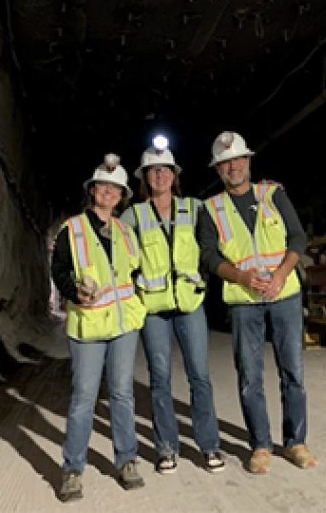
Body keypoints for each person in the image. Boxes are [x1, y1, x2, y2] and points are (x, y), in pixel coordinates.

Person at [196, 131, 316, 474]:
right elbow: (208, 256)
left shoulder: (273, 194)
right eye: (225, 163)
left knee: (292, 370)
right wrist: (241, 278)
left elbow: (297, 238)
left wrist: (280, 276)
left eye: (237, 159)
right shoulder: (211, 209)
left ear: (248, 161)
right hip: (243, 301)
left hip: (284, 295)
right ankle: (260, 445)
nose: (233, 166)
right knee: (250, 376)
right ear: (217, 169)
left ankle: (296, 442)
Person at [121, 145, 225, 475]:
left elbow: (221, 230)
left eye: (166, 169)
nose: (160, 174)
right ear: (144, 178)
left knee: (200, 376)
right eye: (154, 170)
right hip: (153, 309)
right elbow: (109, 240)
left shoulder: (194, 209)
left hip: (190, 303)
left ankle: (209, 445)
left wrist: (266, 191)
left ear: (175, 175)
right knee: (160, 379)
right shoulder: (134, 215)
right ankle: (167, 448)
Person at [50, 154, 147, 502]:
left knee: (122, 393)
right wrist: (72, 289)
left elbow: (133, 271)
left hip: (123, 324)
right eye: (102, 186)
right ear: (92, 191)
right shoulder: (72, 229)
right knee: (84, 398)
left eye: (115, 189)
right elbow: (59, 268)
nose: (108, 192)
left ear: (121, 196)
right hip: (89, 325)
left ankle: (127, 460)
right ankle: (73, 469)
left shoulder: (125, 231)